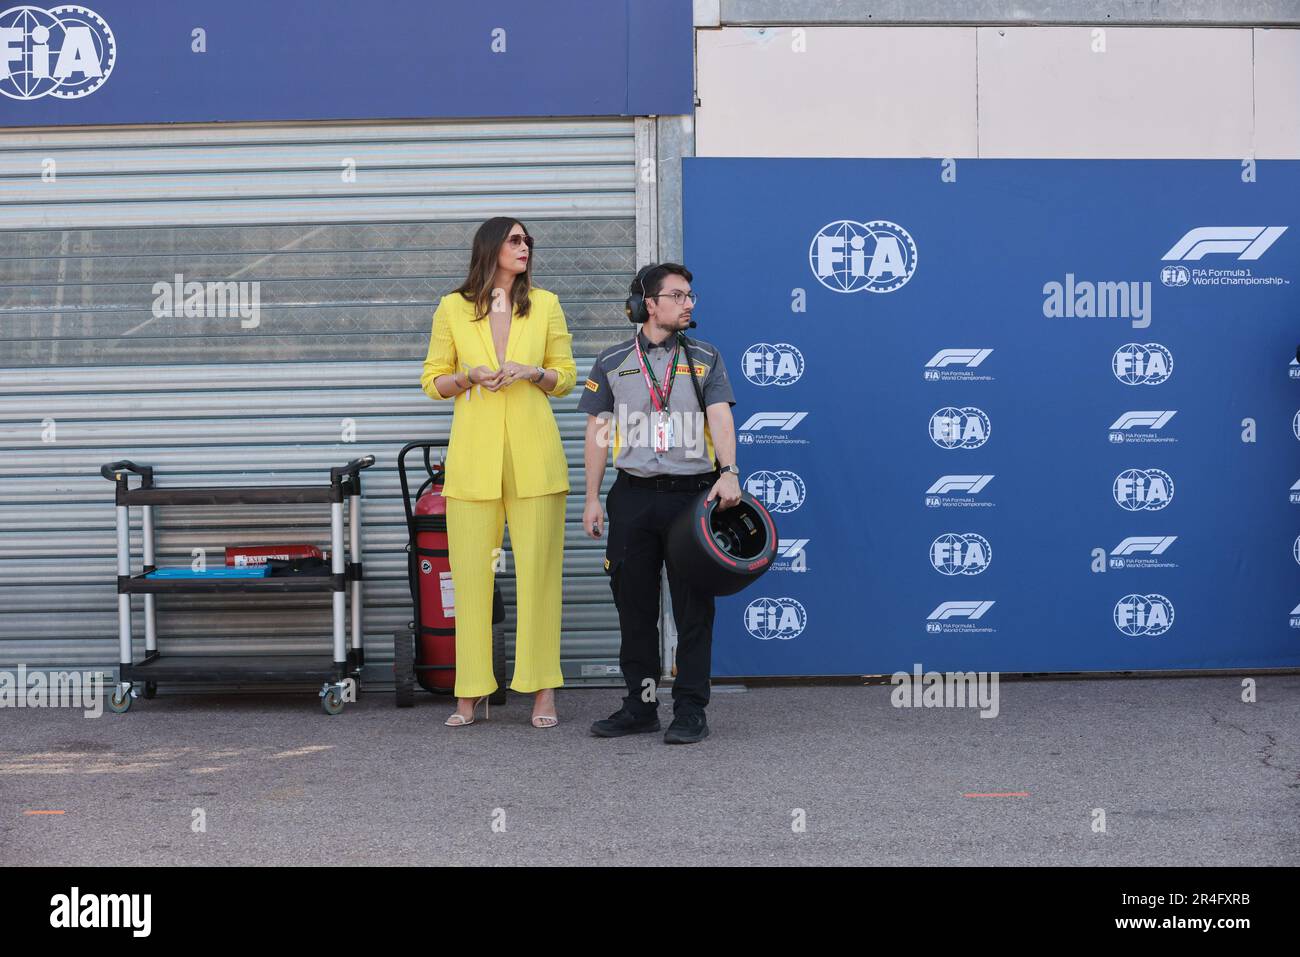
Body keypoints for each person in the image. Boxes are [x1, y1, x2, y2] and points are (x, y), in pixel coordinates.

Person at [420, 217, 577, 728]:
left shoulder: (546, 304)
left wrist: (534, 373)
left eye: (527, 239)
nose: (525, 246)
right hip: (473, 462)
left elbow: (567, 378)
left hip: (536, 460)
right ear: (491, 248)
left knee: (539, 580)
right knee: (469, 581)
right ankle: (469, 695)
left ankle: (543, 694)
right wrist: (469, 377)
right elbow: (431, 381)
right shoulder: (453, 307)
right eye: (514, 240)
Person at [579, 263, 742, 744]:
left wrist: (729, 472)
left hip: (694, 499)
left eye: (691, 295)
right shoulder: (612, 361)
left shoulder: (706, 356)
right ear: (649, 304)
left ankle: (691, 709)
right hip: (633, 497)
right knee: (635, 608)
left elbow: (720, 418)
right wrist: (592, 498)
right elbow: (598, 433)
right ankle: (641, 705)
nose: (689, 303)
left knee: (694, 610)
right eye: (678, 295)